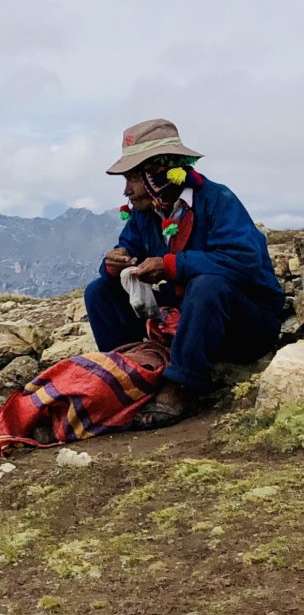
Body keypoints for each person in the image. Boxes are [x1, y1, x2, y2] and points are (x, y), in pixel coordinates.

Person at [85, 119, 285, 428]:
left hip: (245, 323)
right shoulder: (146, 214)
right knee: (99, 291)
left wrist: (169, 265)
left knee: (207, 285)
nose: (127, 190)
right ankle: (131, 376)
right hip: (188, 317)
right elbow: (126, 247)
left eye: (132, 179)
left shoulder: (218, 201)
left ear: (158, 171)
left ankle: (181, 386)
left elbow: (243, 260)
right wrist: (115, 263)